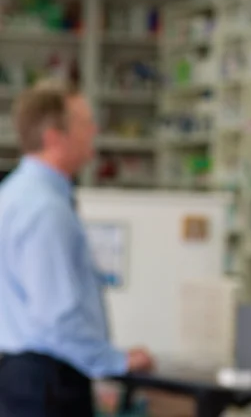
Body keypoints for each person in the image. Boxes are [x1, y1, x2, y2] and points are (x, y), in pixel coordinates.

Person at [0, 82, 155, 417]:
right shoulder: (45, 209)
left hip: (21, 377)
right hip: (47, 384)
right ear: (55, 136)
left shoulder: (12, 194)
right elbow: (56, 316)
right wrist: (113, 361)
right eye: (85, 123)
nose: (94, 131)